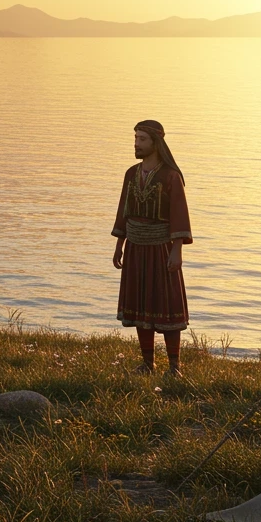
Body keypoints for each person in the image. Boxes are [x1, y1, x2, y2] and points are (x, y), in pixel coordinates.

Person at [111, 119, 192, 376]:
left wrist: (176, 250)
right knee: (139, 303)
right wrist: (119, 244)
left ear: (155, 142)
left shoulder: (170, 176)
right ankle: (147, 363)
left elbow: (179, 213)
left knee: (165, 304)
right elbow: (124, 209)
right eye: (135, 138)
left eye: (142, 139)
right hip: (135, 246)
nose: (136, 143)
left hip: (160, 248)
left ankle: (174, 366)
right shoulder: (131, 174)